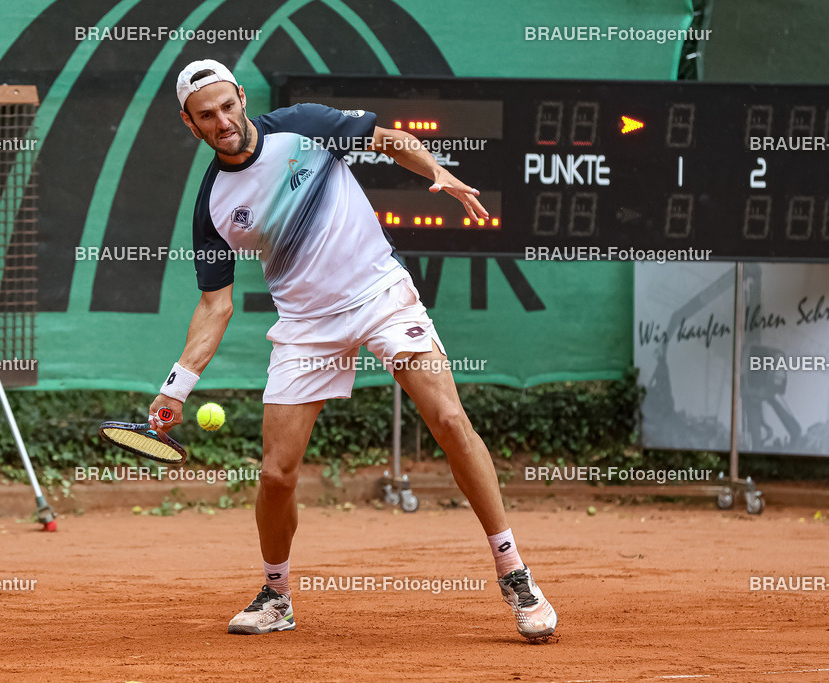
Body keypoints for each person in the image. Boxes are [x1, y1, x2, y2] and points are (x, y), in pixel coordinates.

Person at [149, 59, 557, 640]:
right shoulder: (212, 205)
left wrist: (434, 171)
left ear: (242, 97)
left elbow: (388, 139)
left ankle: (513, 571)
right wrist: (176, 387)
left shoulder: (302, 125)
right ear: (191, 125)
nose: (223, 121)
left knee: (447, 418)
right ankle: (276, 595)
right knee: (276, 475)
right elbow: (216, 305)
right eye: (207, 115)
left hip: (380, 293)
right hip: (306, 325)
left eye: (228, 105)